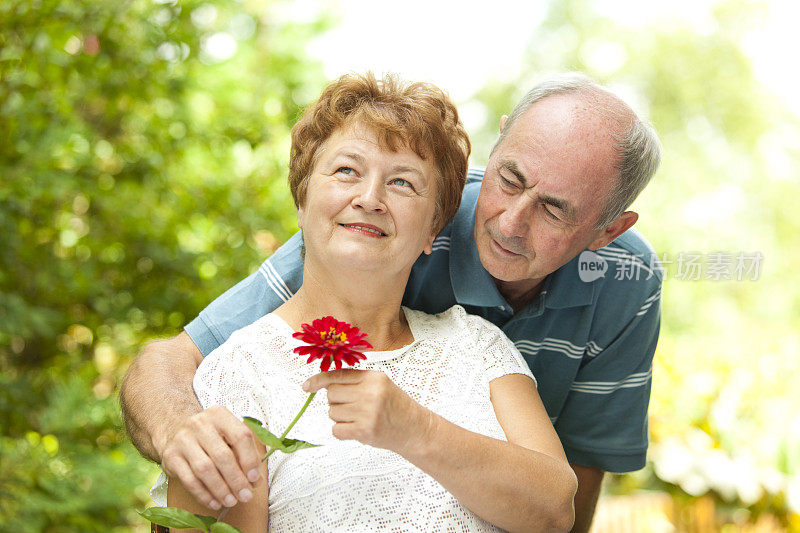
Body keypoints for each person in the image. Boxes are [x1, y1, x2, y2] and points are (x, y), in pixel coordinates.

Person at [121, 72, 662, 532]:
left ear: (607, 231)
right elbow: (174, 360)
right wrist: (178, 431)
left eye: (554, 210)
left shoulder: (587, 298)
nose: (511, 223)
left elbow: (568, 493)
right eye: (510, 179)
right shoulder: (349, 237)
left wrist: (412, 426)